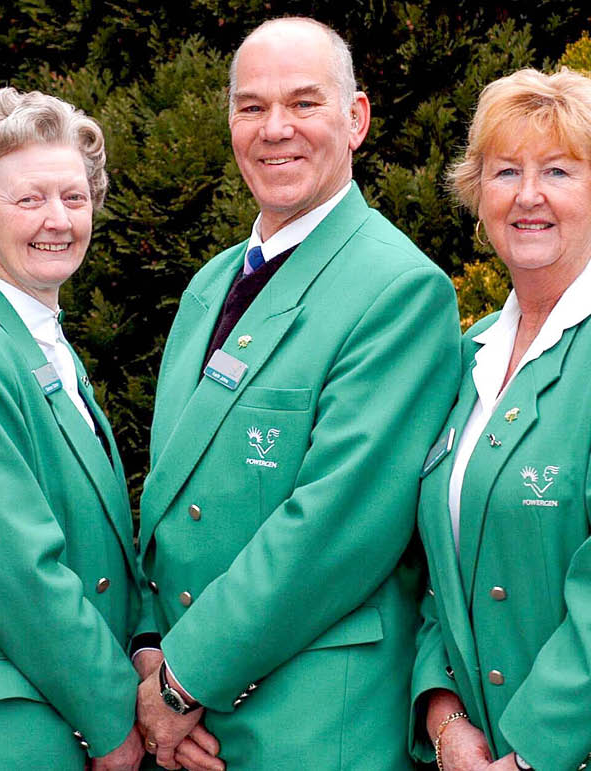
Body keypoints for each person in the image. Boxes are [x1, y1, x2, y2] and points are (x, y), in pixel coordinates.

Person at [134, 17, 461, 771]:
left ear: (356, 120)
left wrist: (181, 682)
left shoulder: (398, 290)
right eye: (251, 107)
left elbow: (333, 529)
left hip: (313, 725)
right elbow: (166, 502)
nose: (274, 129)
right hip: (194, 723)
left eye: (304, 104)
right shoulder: (207, 286)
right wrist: (149, 650)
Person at [411, 68, 591, 771]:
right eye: (504, 170)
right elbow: (432, 569)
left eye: (557, 171)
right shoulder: (470, 352)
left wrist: (528, 755)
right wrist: (445, 719)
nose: (527, 195)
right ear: (477, 194)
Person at [0, 87, 145, 771]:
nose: (57, 220)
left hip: (51, 722)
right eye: (30, 199)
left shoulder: (40, 343)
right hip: (11, 737)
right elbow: (13, 572)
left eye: (74, 197)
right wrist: (111, 717)